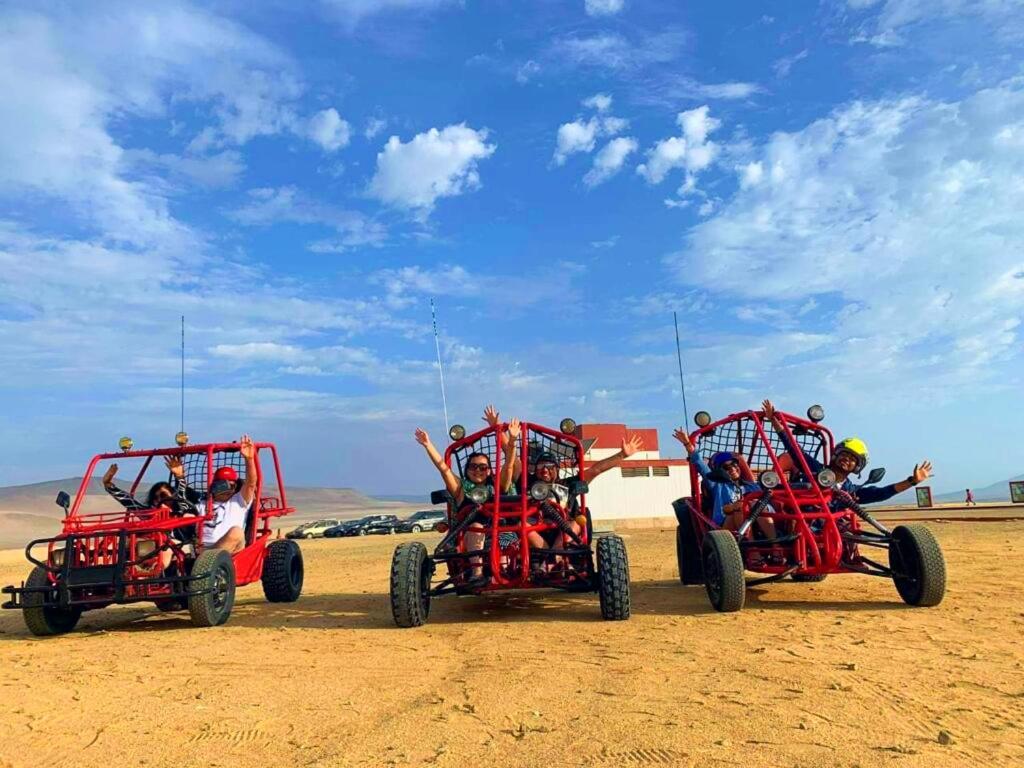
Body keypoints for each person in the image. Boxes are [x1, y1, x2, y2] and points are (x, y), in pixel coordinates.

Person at [761, 400, 932, 504]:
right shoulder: (816, 470)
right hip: (802, 525)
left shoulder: (851, 492)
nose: (846, 459)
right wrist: (775, 422)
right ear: (836, 455)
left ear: (857, 467)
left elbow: (882, 492)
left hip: (833, 533)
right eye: (844, 454)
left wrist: (912, 481)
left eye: (852, 459)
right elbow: (794, 449)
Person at [414, 420, 520, 579]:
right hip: (470, 534)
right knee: (476, 527)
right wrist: (428, 445)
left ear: (489, 470)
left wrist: (511, 441)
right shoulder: (461, 488)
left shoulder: (499, 486)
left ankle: (504, 570)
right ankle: (477, 573)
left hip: (502, 532)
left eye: (483, 467)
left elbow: (509, 466)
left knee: (505, 532)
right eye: (473, 467)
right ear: (467, 469)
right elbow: (443, 468)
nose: (478, 470)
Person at [523, 434, 644, 569]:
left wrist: (622, 455)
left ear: (557, 469)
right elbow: (513, 467)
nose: (545, 470)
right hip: (538, 532)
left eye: (549, 466)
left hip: (564, 532)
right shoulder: (527, 484)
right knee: (521, 524)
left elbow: (595, 470)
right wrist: (509, 442)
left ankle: (551, 561)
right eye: (540, 466)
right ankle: (552, 560)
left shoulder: (567, 484)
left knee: (579, 519)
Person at [102, 456, 197, 572]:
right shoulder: (151, 514)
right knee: (131, 545)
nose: (159, 500)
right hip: (154, 545)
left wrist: (180, 477)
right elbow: (129, 502)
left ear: (172, 496)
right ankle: (128, 574)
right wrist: (109, 485)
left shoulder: (182, 511)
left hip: (181, 545)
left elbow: (182, 497)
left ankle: (154, 572)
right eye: (156, 497)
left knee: (166, 548)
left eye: (163, 496)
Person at [671, 428, 774, 534]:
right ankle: (752, 548)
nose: (732, 469)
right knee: (738, 509)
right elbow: (700, 464)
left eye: (734, 464)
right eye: (726, 467)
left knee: (759, 505)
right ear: (720, 471)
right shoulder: (717, 484)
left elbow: (768, 505)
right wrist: (688, 444)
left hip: (755, 523)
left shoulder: (752, 486)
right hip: (726, 527)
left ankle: (775, 544)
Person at [194, 435, 259, 554]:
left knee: (236, 532)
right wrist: (179, 477)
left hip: (229, 549)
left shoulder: (238, 500)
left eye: (232, 484)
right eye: (224, 484)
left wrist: (249, 459)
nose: (229, 488)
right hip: (201, 548)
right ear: (215, 484)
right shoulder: (202, 503)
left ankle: (208, 560)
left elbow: (251, 483)